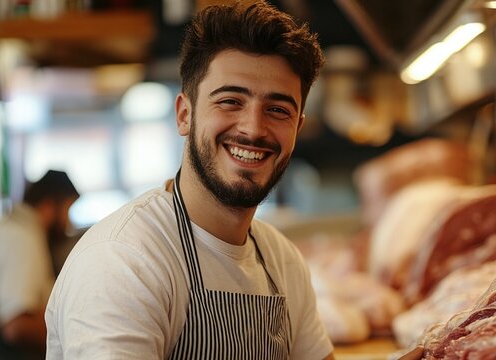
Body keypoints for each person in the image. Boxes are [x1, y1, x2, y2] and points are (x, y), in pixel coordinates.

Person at [45, 2, 333, 359]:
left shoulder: (281, 260)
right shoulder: (124, 260)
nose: (254, 129)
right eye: (230, 101)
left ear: (297, 129)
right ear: (185, 115)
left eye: (277, 110)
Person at [0, 170, 79, 359]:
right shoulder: (21, 238)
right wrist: (71, 337)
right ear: (48, 206)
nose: (69, 223)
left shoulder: (14, 230)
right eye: (68, 210)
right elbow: (16, 326)